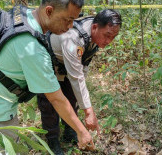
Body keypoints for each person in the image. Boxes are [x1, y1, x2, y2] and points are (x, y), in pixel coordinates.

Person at [0, 0, 94, 152]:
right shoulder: (32, 48)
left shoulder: (22, 14)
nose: (70, 27)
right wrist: (82, 131)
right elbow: (56, 98)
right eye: (67, 20)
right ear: (49, 11)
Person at [37, 9, 122, 154]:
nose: (108, 41)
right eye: (107, 36)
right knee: (50, 104)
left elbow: (83, 65)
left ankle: (70, 130)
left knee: (72, 98)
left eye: (113, 37)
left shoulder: (95, 36)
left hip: (66, 65)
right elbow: (77, 76)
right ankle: (52, 139)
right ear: (95, 27)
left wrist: (83, 102)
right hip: (47, 62)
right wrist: (89, 111)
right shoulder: (73, 38)